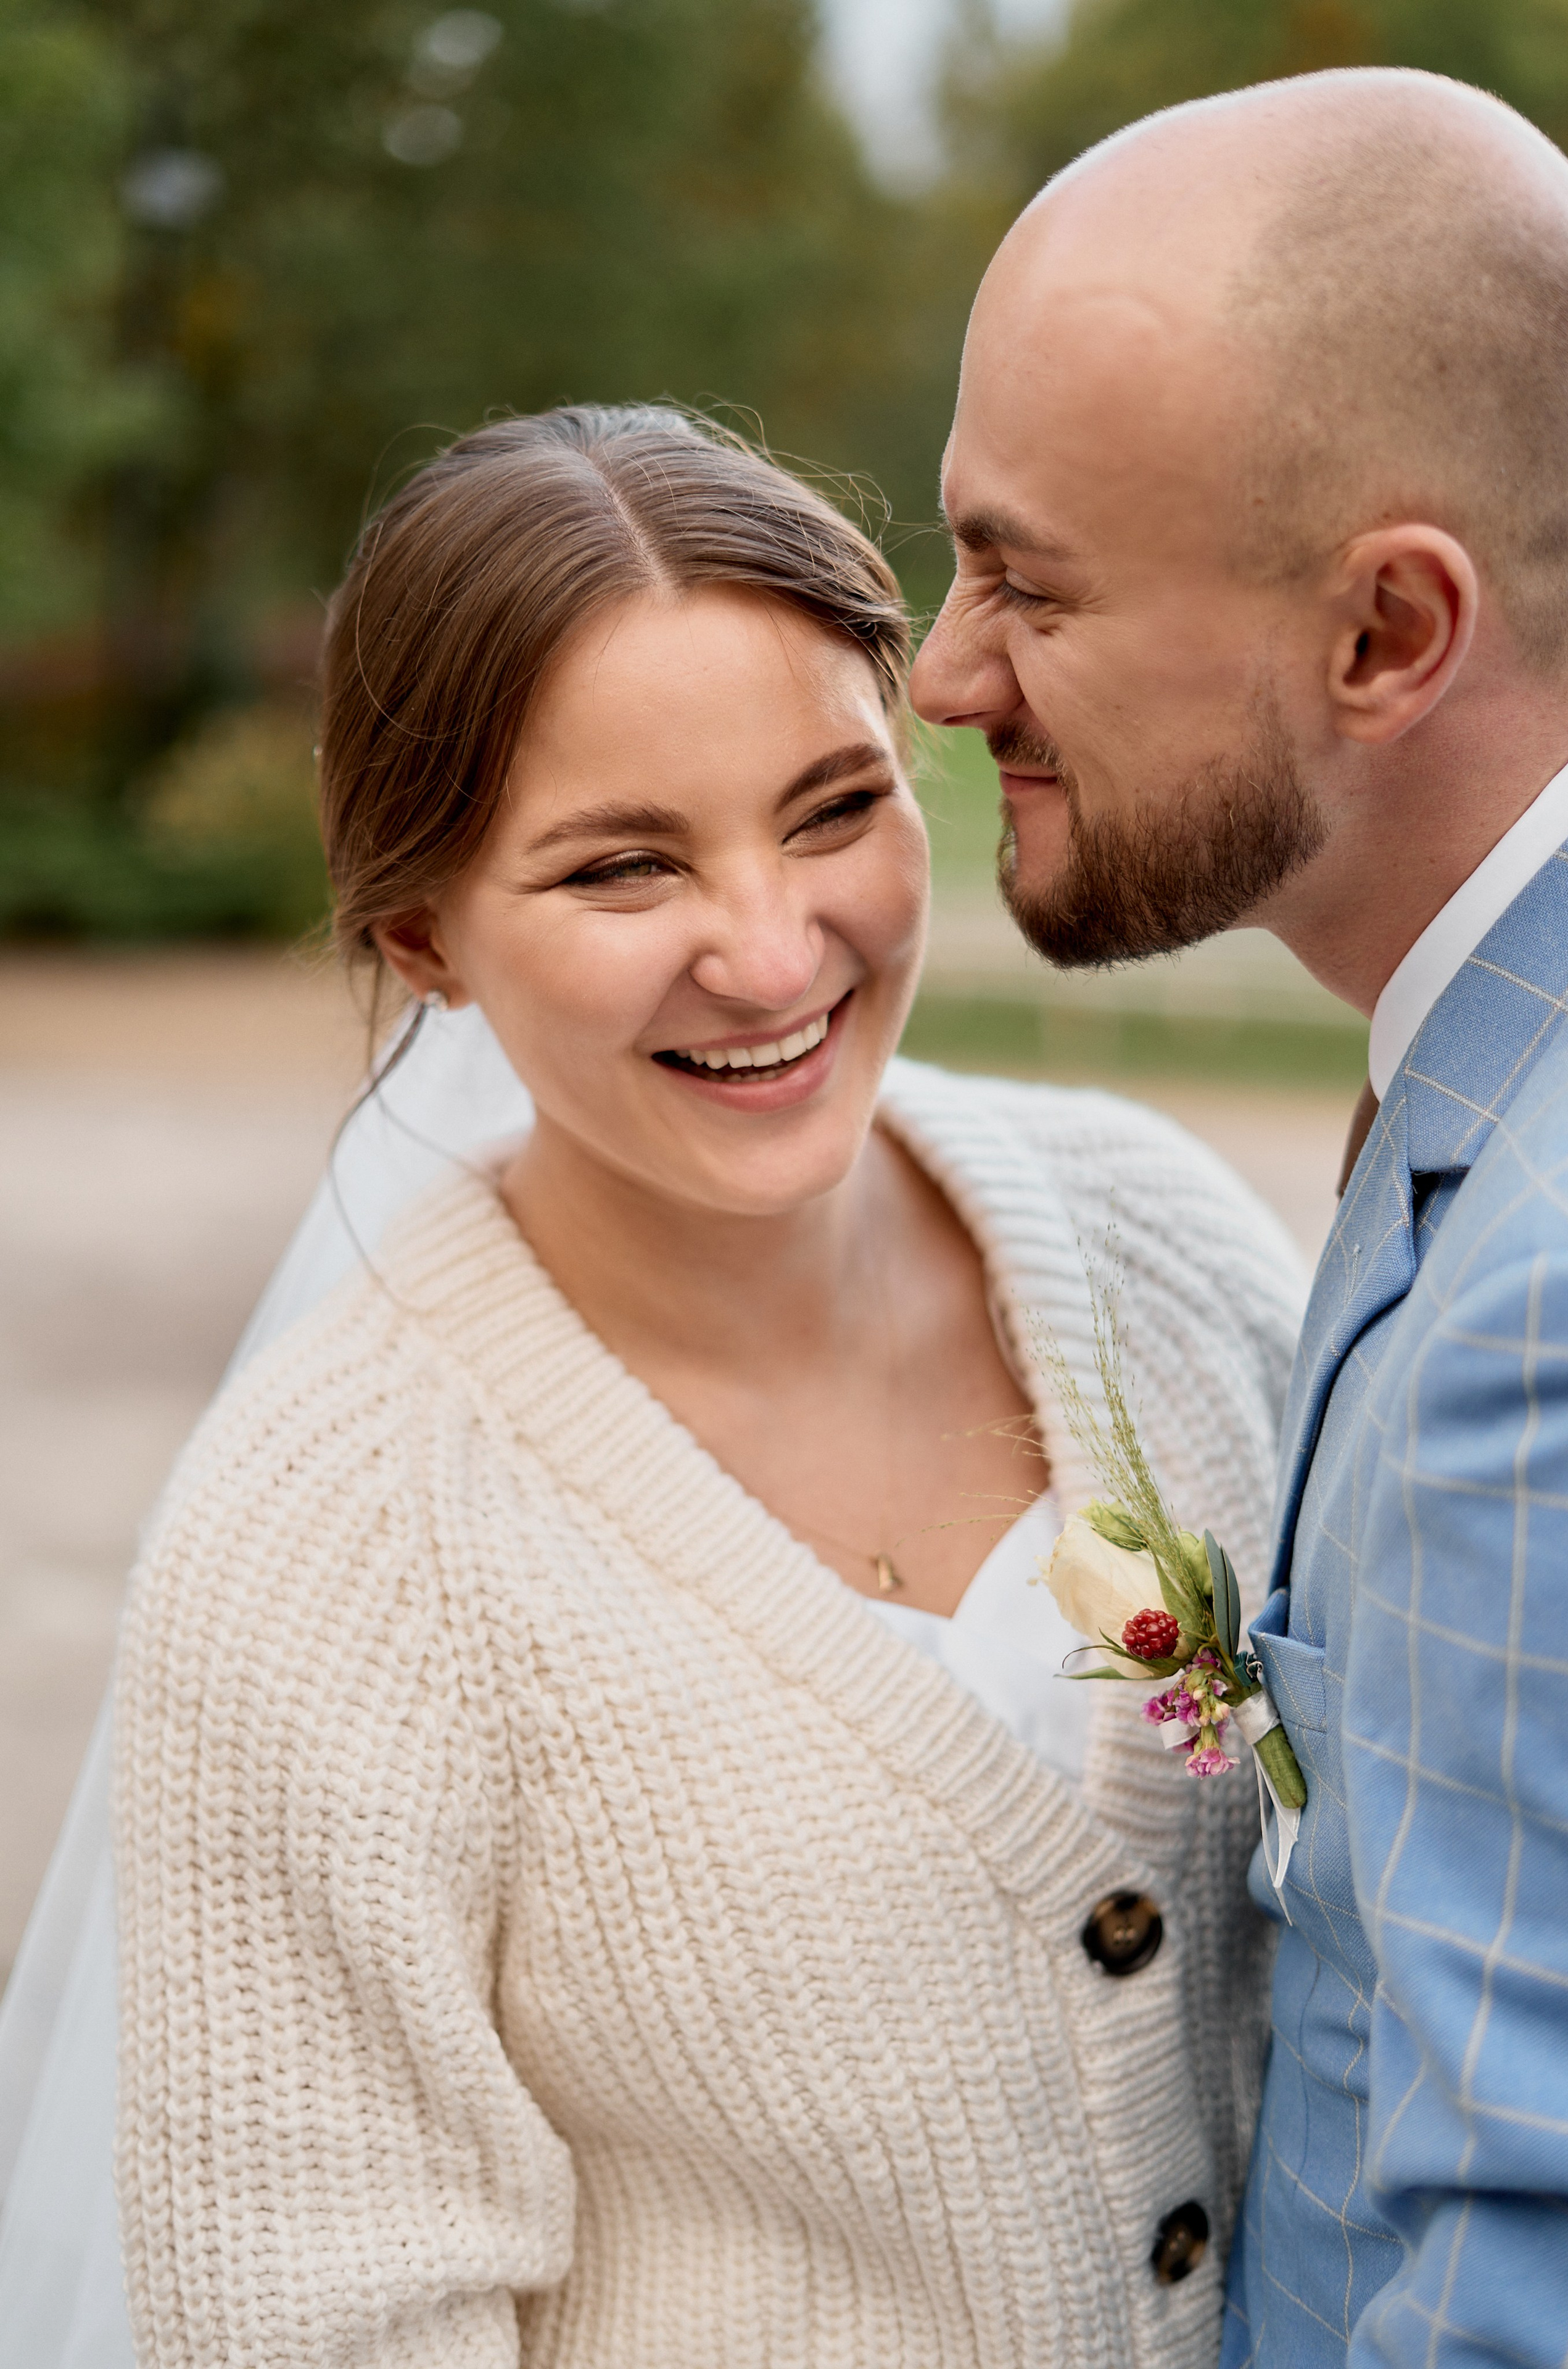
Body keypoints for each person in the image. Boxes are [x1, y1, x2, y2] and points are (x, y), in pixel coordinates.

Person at [85, 407, 1303, 2367]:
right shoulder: (328, 1549)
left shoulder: (1162, 1246)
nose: (768, 950)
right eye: (622, 867)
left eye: (832, 810)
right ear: (424, 937)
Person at [912, 65, 1568, 2369]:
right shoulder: (1486, 1077)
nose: (945, 673)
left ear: (1388, 633)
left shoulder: (1546, 1307)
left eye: (1029, 582)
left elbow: (1519, 2252)